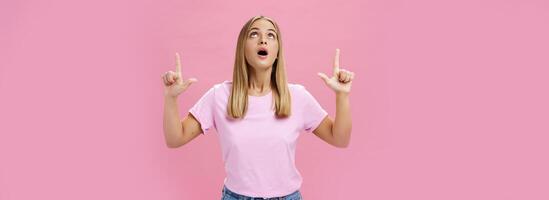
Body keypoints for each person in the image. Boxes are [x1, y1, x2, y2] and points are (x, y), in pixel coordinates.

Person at [161, 15, 354, 200]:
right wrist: (171, 98)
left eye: (271, 35)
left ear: (277, 50)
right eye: (254, 34)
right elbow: (175, 138)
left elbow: (340, 138)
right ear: (242, 48)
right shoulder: (219, 96)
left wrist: (342, 95)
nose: (263, 40)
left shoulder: (297, 97)